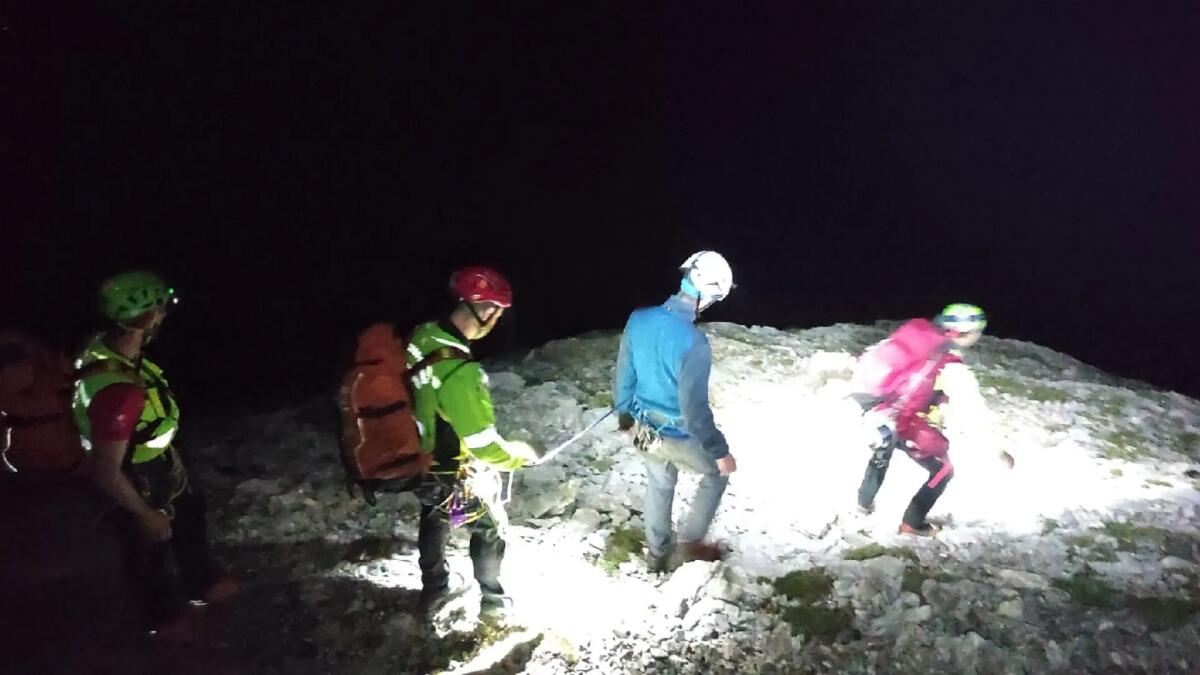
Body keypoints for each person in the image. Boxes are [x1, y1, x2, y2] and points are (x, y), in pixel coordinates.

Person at [73, 271, 235, 642]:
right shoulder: (119, 391)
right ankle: (163, 616)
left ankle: (200, 578)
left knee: (190, 514)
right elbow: (105, 471)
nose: (163, 317)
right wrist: (144, 513)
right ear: (145, 319)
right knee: (147, 548)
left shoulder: (105, 350)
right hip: (135, 475)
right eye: (160, 310)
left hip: (162, 461)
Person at [407, 266, 538, 622]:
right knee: (490, 525)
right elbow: (484, 446)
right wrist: (518, 457)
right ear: (488, 310)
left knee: (434, 517)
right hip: (450, 468)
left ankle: (434, 588)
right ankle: (493, 603)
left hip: (416, 458)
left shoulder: (422, 337)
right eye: (497, 311)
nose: (497, 319)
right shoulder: (461, 373)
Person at [613, 251, 738, 573]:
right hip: (678, 434)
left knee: (659, 484)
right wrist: (720, 451)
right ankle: (690, 545)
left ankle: (657, 555)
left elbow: (624, 373)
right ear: (709, 296)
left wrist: (624, 416)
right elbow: (694, 410)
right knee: (715, 474)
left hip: (643, 428)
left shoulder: (638, 318)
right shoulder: (694, 342)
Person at [853, 303, 1014, 536]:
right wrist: (997, 451)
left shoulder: (914, 340)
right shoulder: (952, 368)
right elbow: (973, 414)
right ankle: (911, 524)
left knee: (882, 452)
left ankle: (862, 506)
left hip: (874, 410)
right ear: (965, 333)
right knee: (943, 470)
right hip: (901, 421)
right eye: (978, 330)